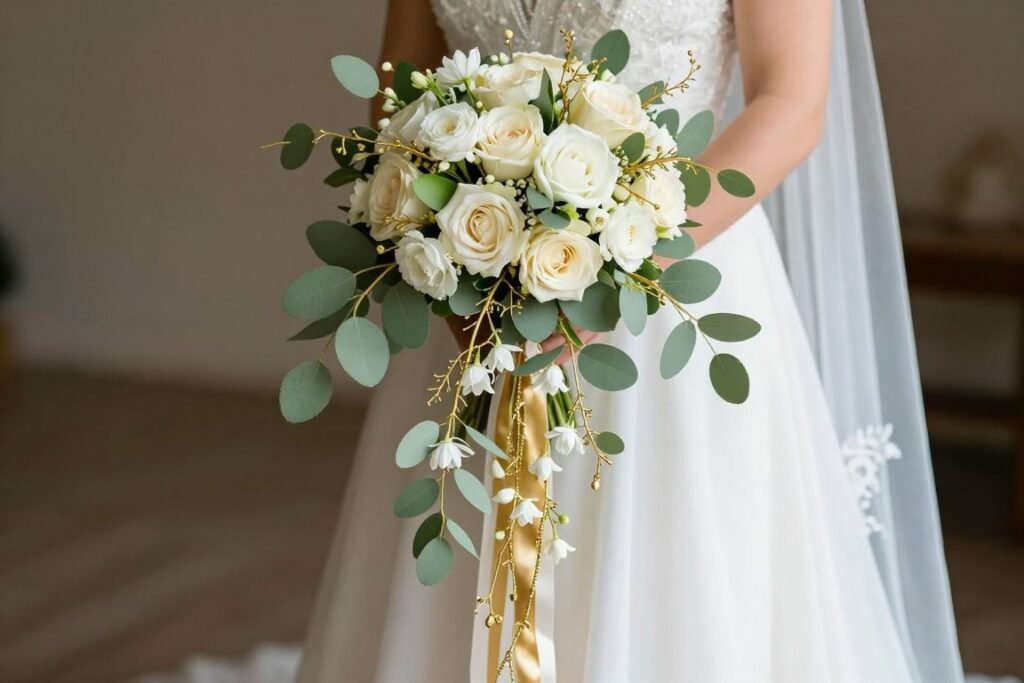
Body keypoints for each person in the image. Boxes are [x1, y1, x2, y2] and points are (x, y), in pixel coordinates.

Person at [295, 0, 966, 681]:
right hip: (480, 295)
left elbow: (791, 103)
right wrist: (448, 264)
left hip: (674, 289)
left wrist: (624, 264)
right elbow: (399, 92)